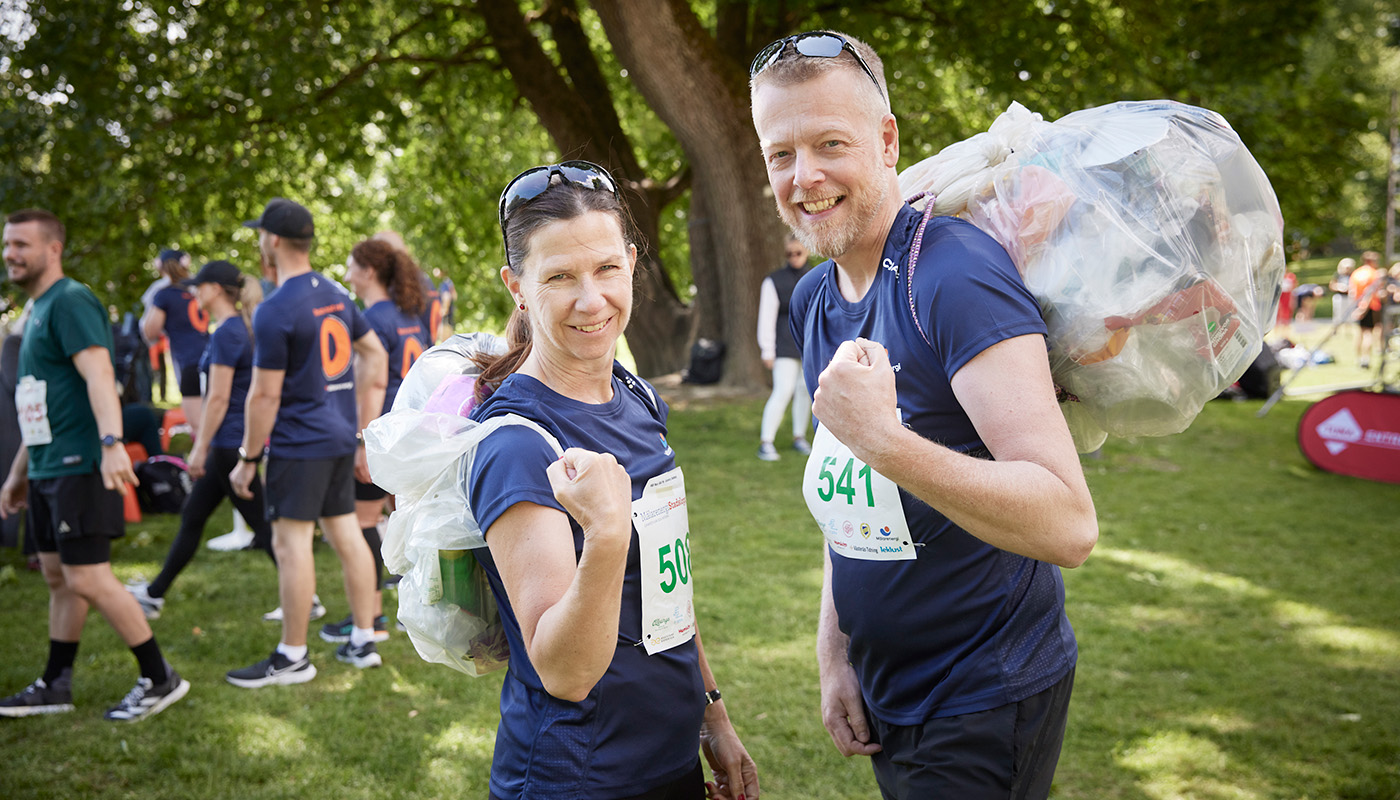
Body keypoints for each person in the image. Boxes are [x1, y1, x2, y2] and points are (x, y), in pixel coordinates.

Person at [750, 31, 1098, 798]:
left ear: (886, 141)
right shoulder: (815, 299)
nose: (804, 177)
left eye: (829, 144)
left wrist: (885, 439)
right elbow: (849, 493)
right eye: (780, 154)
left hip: (983, 692)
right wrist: (834, 654)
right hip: (888, 690)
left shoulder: (953, 275)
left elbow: (1068, 523)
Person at [466, 161, 759, 799]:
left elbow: (666, 583)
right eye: (560, 277)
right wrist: (605, 534)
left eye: (605, 269)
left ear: (631, 262)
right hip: (578, 778)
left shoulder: (636, 398)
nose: (591, 299)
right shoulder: (517, 442)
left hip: (671, 759)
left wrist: (713, 715)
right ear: (517, 286)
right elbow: (564, 672)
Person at [0, 208, 190, 721]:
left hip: (78, 462)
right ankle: (55, 684)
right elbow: (40, 406)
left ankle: (160, 677)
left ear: (53, 248)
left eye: (22, 243)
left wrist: (110, 442)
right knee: (60, 579)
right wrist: (20, 474)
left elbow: (100, 376)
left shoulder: (70, 300)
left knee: (88, 577)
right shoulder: (36, 309)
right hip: (46, 466)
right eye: (7, 244)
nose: (10, 253)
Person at [225, 198, 389, 687]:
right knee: (345, 532)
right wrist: (361, 428)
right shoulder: (336, 294)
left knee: (291, 542)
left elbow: (264, 395)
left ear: (272, 240)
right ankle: (364, 638)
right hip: (338, 438)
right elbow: (374, 356)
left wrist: (247, 459)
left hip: (300, 444)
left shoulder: (276, 307)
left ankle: (293, 655)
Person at [125, 260, 277, 619]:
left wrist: (200, 447)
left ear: (214, 290)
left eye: (198, 285)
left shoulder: (228, 332)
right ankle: (154, 593)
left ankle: (307, 596)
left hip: (228, 445)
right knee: (195, 516)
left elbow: (219, 398)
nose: (193, 291)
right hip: (231, 442)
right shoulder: (238, 328)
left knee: (264, 525)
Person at [319, 237, 429, 643]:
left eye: (350, 266)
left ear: (367, 272)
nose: (346, 274)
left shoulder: (372, 319)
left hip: (382, 432)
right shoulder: (409, 314)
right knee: (407, 521)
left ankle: (372, 616)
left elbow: (371, 379)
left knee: (364, 522)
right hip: (410, 430)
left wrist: (362, 439)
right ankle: (418, 607)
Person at [141, 249, 210, 439]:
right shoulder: (197, 290)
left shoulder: (165, 294)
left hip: (188, 361)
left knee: (198, 427)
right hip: (210, 354)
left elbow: (150, 331)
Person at [756, 234, 813, 461]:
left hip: (808, 346)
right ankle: (766, 442)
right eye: (789, 254)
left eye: (798, 252)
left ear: (807, 250)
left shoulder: (816, 276)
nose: (794, 257)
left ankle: (799, 437)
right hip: (784, 347)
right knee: (783, 391)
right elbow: (766, 316)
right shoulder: (774, 280)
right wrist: (767, 349)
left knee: (804, 393)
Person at [1350, 251, 1384, 368]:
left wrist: (1356, 308)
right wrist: (1364, 308)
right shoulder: (1374, 274)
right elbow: (1371, 293)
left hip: (1357, 305)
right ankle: (1365, 359)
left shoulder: (1356, 273)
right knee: (1368, 333)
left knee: (1359, 332)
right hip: (1370, 306)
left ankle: (1357, 358)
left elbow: (1352, 291)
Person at [1329, 257, 1355, 323]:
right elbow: (1332, 285)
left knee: (1349, 316)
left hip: (1349, 297)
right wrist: (1339, 287)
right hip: (1340, 297)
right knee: (1338, 315)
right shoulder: (1338, 275)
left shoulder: (1353, 275)